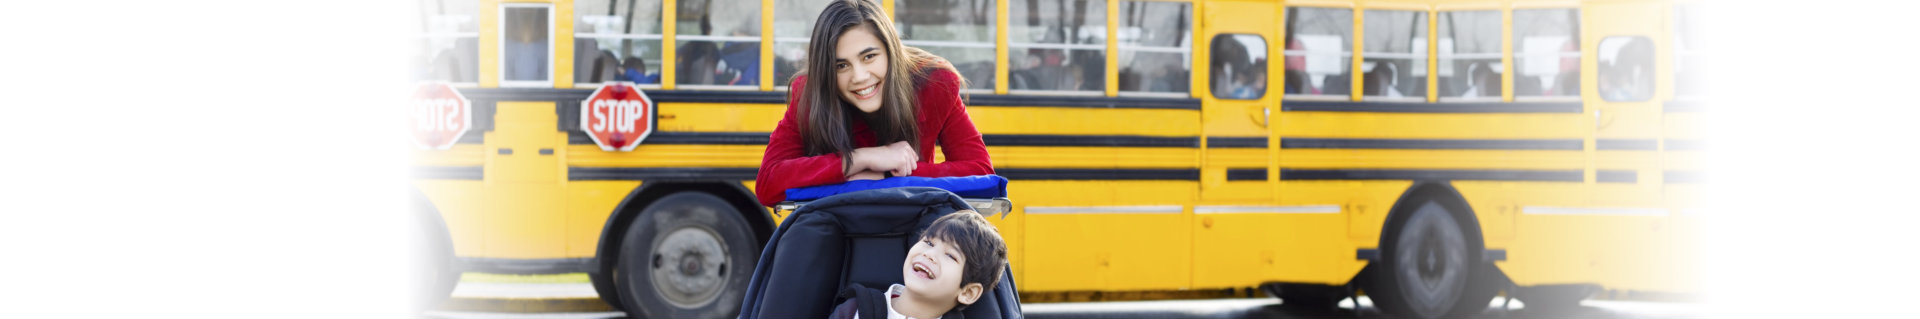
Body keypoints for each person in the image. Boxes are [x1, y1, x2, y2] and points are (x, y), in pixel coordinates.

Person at [755, 0, 994, 206]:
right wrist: (860, 159)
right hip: (837, 232)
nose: (859, 77)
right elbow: (768, 183)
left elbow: (980, 173)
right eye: (841, 66)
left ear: (891, 52)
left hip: (915, 231)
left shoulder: (934, 84)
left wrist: (889, 175)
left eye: (869, 57)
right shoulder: (810, 94)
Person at [828, 211, 1008, 319]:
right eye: (929, 243)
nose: (929, 255)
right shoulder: (854, 310)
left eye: (950, 256)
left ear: (968, 292)